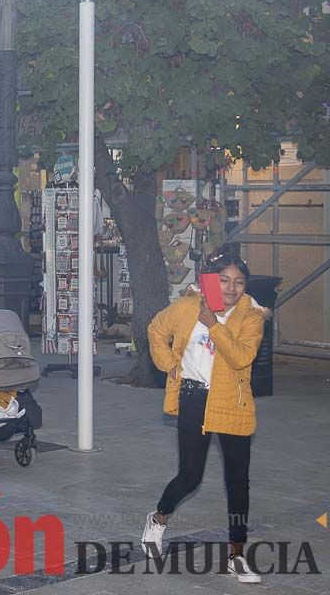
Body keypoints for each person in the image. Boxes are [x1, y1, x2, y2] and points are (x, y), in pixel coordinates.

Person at [141, 249, 265, 583]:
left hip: (233, 402)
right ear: (209, 280)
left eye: (239, 282)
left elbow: (241, 357)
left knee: (238, 481)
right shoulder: (185, 308)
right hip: (194, 398)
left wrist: (213, 326)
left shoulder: (250, 315)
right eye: (224, 280)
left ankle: (237, 555)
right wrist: (170, 366)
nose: (231, 289)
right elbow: (155, 329)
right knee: (190, 477)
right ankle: (158, 518)